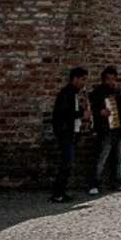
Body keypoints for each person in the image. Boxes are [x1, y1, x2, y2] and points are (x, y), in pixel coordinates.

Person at [88, 66, 121, 195]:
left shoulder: (120, 92)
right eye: (108, 79)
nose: (111, 82)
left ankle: (119, 182)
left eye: (113, 79)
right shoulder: (97, 93)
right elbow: (94, 108)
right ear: (103, 79)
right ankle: (94, 183)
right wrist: (100, 111)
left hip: (120, 129)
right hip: (105, 129)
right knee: (101, 157)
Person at [50, 66, 88, 202]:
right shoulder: (67, 93)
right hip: (66, 133)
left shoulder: (73, 93)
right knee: (67, 163)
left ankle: (60, 191)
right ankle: (58, 193)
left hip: (71, 132)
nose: (84, 83)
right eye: (83, 79)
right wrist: (82, 113)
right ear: (75, 79)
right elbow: (65, 114)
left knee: (67, 163)